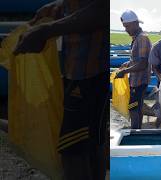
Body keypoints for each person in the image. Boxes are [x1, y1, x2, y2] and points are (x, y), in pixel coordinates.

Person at [13, 0, 108, 180]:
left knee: (74, 150)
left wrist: (48, 30)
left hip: (91, 73)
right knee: (87, 145)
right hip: (77, 70)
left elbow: (102, 10)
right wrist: (62, 6)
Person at [114, 10, 152, 129]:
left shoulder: (142, 38)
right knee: (135, 106)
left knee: (134, 107)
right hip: (136, 81)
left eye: (127, 26)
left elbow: (143, 64)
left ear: (135, 23)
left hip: (140, 81)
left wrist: (124, 72)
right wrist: (128, 63)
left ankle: (135, 130)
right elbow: (137, 60)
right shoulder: (137, 38)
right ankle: (136, 128)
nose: (126, 30)